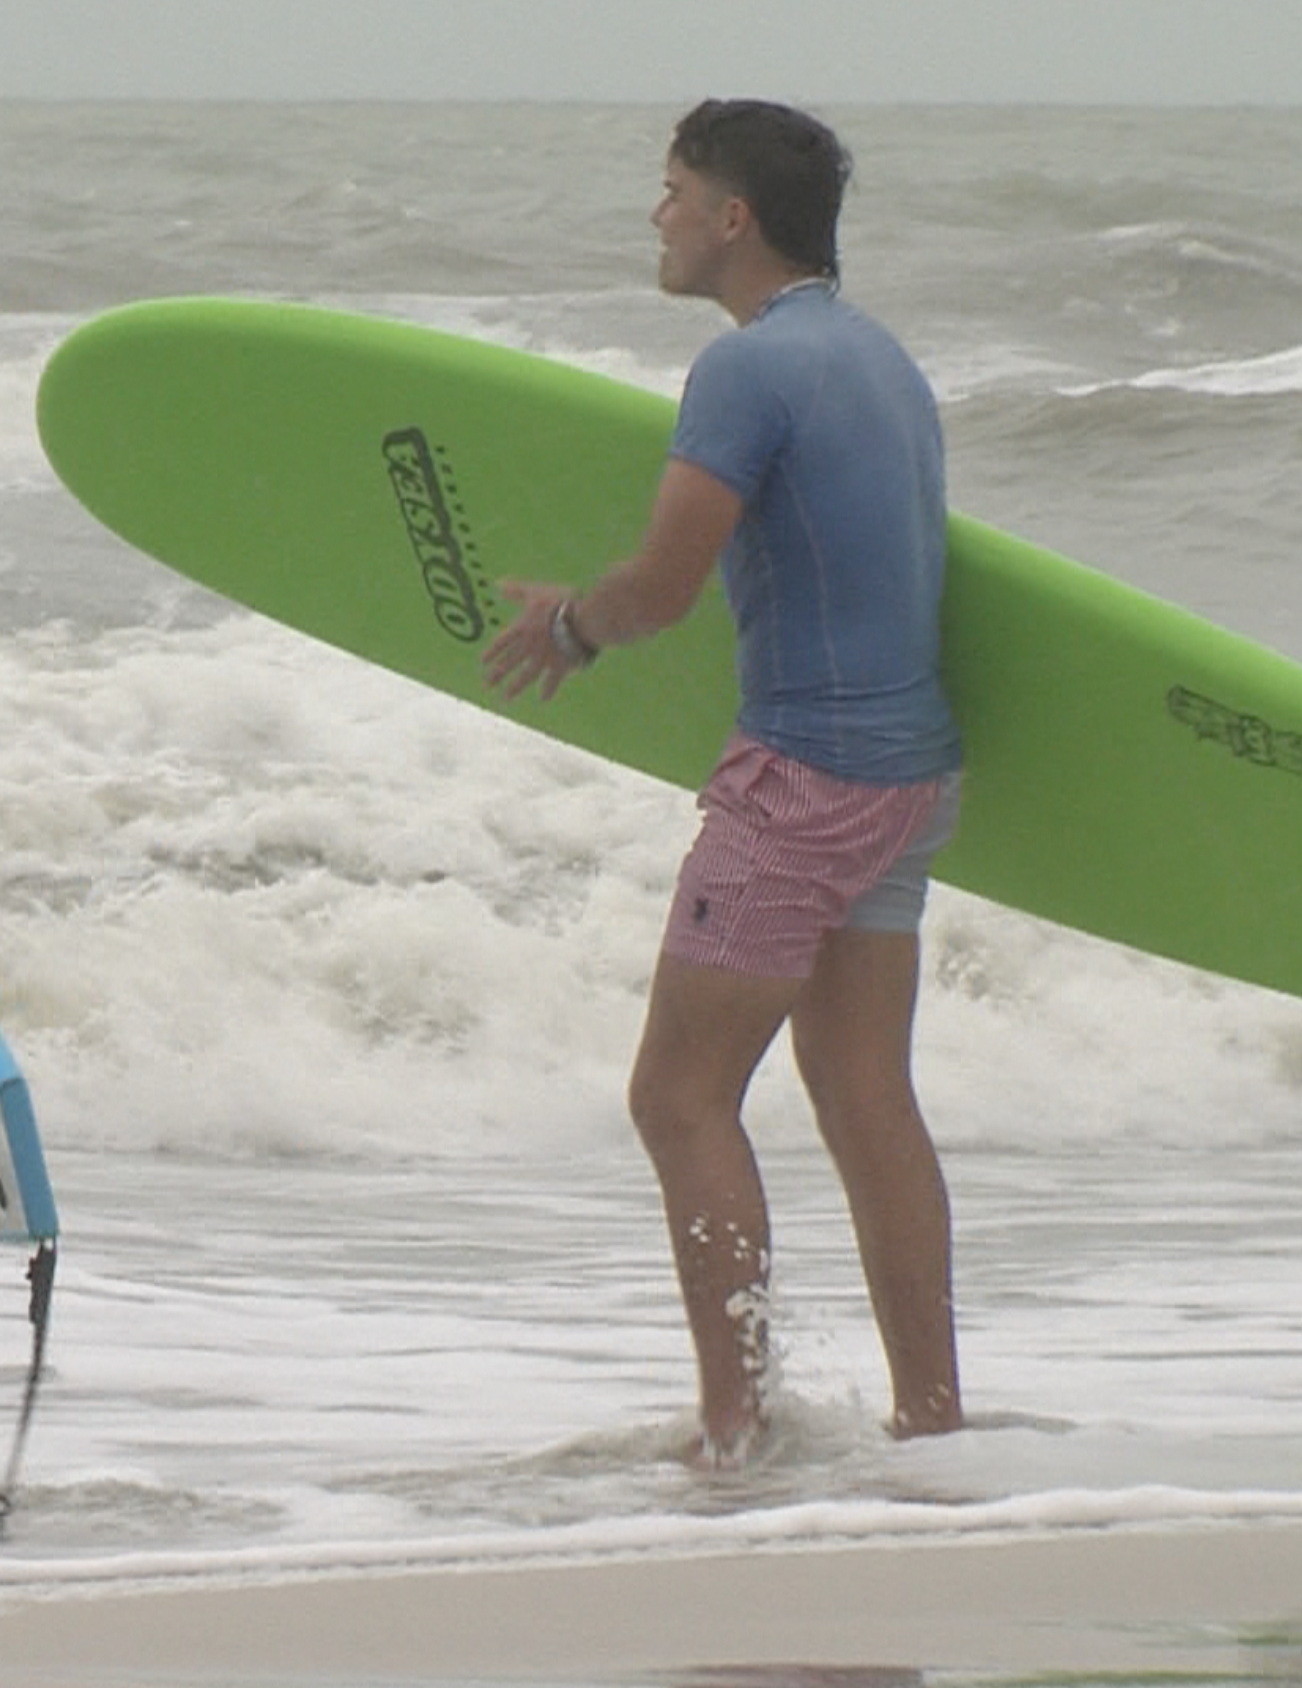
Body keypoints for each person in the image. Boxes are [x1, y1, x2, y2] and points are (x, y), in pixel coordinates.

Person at [483, 100, 965, 1466]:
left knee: (676, 1097)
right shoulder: (878, 358)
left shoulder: (746, 373)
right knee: (865, 1094)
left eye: (674, 189)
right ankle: (930, 1414)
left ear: (731, 219)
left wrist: (570, 625)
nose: (658, 215)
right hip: (908, 777)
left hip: (805, 779)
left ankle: (731, 1425)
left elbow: (667, 580)